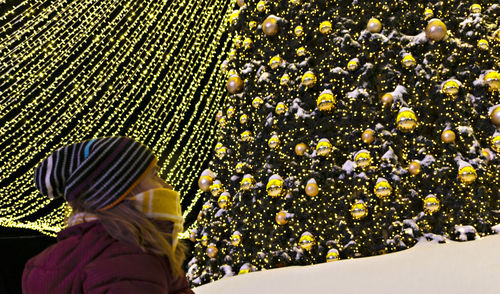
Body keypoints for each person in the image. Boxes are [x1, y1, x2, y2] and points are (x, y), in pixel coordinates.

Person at [22, 137, 194, 294]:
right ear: (120, 191)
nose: (167, 186)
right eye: (155, 175)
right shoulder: (131, 257)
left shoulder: (39, 264)